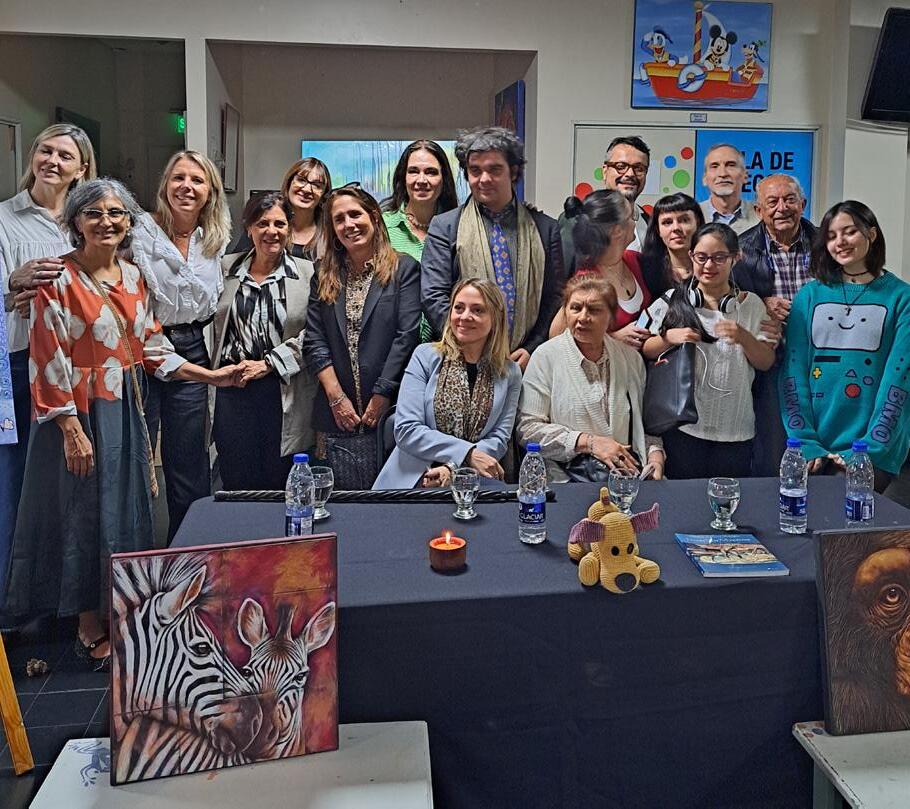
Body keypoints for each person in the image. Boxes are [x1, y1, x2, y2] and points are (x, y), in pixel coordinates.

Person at [4, 178, 241, 664]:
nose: (106, 222)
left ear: (129, 222)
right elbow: (47, 358)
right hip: (78, 415)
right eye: (93, 213)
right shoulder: (57, 279)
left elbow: (151, 347)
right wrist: (70, 429)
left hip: (126, 410)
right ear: (76, 222)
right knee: (82, 513)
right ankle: (86, 624)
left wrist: (210, 376)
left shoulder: (133, 277)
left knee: (126, 509)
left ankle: (121, 611)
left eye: (115, 213)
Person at [0, 123, 96, 604]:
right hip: (22, 366)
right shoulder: (4, 219)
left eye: (65, 155)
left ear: (82, 168)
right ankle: (16, 604)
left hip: (83, 370)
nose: (52, 161)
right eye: (45, 150)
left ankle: (70, 599)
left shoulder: (91, 219)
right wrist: (10, 288)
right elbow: (11, 301)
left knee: (73, 490)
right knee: (18, 485)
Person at [129, 150, 232, 540]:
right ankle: (135, 557)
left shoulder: (215, 240)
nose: (187, 187)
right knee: (137, 458)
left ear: (210, 192)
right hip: (142, 350)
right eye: (179, 178)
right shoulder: (138, 232)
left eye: (197, 180)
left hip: (194, 349)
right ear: (165, 185)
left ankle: (188, 550)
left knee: (188, 460)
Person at [781, 201, 910, 491]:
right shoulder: (809, 295)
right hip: (813, 446)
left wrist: (869, 448)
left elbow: (899, 378)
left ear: (871, 234)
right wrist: (804, 441)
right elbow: (793, 372)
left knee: (850, 516)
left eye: (849, 232)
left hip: (873, 448)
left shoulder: (902, 298)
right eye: (831, 236)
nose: (840, 242)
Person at [304, 185, 420, 489]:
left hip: (389, 408)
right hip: (335, 413)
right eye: (339, 219)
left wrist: (382, 392)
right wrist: (336, 398)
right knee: (339, 503)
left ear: (374, 217)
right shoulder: (323, 273)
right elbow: (314, 340)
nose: (349, 224)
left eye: (355, 214)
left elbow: (407, 336)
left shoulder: (404, 268)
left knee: (389, 499)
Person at [421, 126, 564, 372]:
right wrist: (473, 345)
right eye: (475, 170)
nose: (484, 179)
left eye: (495, 169)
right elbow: (434, 296)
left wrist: (533, 347)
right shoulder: (445, 228)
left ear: (514, 172)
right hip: (463, 360)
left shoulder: (545, 229)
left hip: (528, 364)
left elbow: (555, 297)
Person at [641, 223, 775, 479]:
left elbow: (766, 361)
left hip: (736, 431)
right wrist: (669, 337)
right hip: (684, 428)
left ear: (736, 258)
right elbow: (645, 349)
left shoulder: (753, 306)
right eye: (701, 257)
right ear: (691, 256)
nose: (709, 265)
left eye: (719, 258)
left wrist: (744, 337)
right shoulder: (673, 300)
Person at [212, 192, 317, 490]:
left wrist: (269, 363)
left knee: (280, 479)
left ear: (289, 229)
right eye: (262, 223)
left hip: (283, 389)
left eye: (279, 224)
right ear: (249, 228)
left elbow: (316, 332)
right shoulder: (224, 269)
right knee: (236, 478)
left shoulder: (308, 273)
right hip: (232, 389)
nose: (271, 231)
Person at [373, 279, 521, 489]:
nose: (465, 316)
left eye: (477, 310)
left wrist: (453, 468)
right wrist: (467, 454)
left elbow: (499, 437)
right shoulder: (425, 356)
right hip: (415, 479)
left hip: (473, 480)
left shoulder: (510, 372)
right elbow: (407, 430)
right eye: (458, 308)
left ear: (496, 318)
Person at [518, 275, 665, 484]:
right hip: (565, 483)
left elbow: (646, 427)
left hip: (626, 483)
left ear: (611, 317)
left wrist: (655, 459)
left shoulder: (631, 359)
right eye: (575, 308)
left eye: (594, 310)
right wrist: (589, 443)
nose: (583, 317)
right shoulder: (545, 357)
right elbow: (527, 429)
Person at [732, 173, 817, 476]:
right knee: (774, 451)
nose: (782, 208)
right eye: (772, 202)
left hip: (820, 361)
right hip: (772, 363)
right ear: (759, 210)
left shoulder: (825, 244)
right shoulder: (741, 251)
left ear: (802, 204)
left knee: (820, 448)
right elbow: (728, 296)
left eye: (789, 200)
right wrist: (761, 301)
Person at [551, 191, 652, 349]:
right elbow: (556, 337)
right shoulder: (586, 281)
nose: (634, 223)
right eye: (631, 217)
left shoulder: (635, 260)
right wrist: (613, 339)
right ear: (617, 230)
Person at [381, 140, 459, 342]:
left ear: (444, 179)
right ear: (403, 177)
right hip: (393, 345)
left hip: (450, 342)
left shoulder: (460, 228)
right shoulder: (382, 227)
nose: (421, 180)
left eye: (431, 172)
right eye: (413, 171)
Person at [560, 135, 651, 273]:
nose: (630, 174)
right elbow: (562, 276)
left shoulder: (649, 222)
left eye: (639, 168)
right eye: (621, 166)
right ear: (605, 171)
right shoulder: (578, 219)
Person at [230, 157, 333, 261]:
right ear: (289, 183)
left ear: (324, 194)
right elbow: (235, 264)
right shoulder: (263, 222)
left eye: (316, 185)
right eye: (301, 180)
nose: (307, 189)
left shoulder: (331, 232)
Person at [639, 192, 705, 297]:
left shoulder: (713, 267)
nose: (676, 228)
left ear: (698, 223)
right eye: (667, 222)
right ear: (658, 230)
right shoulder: (645, 272)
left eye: (684, 220)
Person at [698, 143, 760, 235]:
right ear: (704, 178)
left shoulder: (760, 216)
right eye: (714, 166)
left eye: (730, 165)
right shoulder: (692, 216)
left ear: (745, 176)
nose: (722, 174)